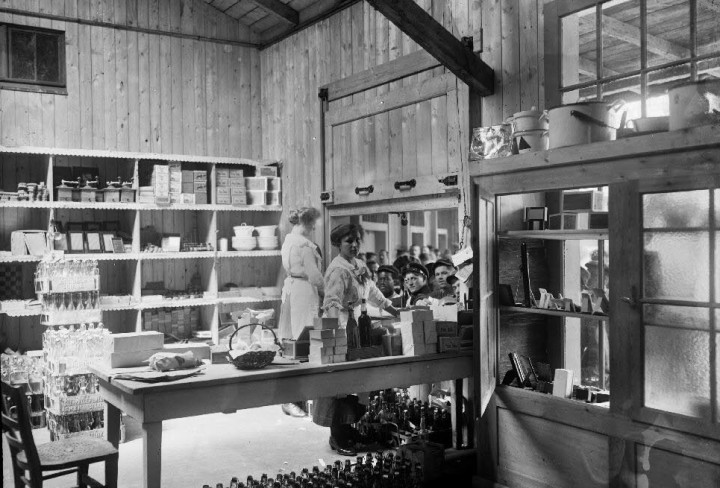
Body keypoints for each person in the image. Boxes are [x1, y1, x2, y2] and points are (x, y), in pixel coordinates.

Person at [314, 223, 399, 456]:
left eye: (357, 241)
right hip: (341, 327)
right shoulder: (338, 270)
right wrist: (335, 336)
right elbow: (331, 303)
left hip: (359, 326)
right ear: (338, 244)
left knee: (358, 381)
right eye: (348, 241)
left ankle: (350, 429)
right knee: (341, 384)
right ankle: (337, 435)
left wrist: (398, 312)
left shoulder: (359, 265)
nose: (354, 245)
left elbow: (374, 294)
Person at [277, 207, 323, 418]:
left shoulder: (289, 240)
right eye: (312, 223)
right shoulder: (304, 245)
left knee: (292, 344)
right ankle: (294, 399)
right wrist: (330, 293)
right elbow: (315, 277)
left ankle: (295, 398)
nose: (314, 227)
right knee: (303, 345)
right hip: (304, 293)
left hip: (292, 290)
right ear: (305, 222)